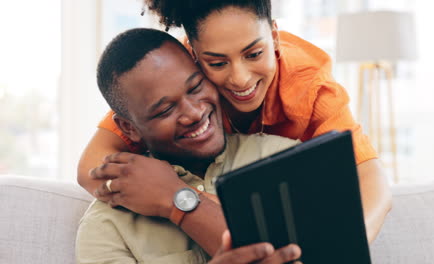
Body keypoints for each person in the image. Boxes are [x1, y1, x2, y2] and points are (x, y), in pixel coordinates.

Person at [77, 0, 391, 244]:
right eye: (216, 62)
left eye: (254, 53)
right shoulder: (179, 79)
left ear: (275, 36)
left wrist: (339, 250)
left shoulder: (311, 88)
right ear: (194, 55)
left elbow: (374, 185)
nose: (239, 79)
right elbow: (91, 166)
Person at [76, 27, 302, 264]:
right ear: (128, 128)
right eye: (165, 110)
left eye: (195, 87)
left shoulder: (287, 158)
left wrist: (176, 197)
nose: (194, 113)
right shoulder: (107, 225)